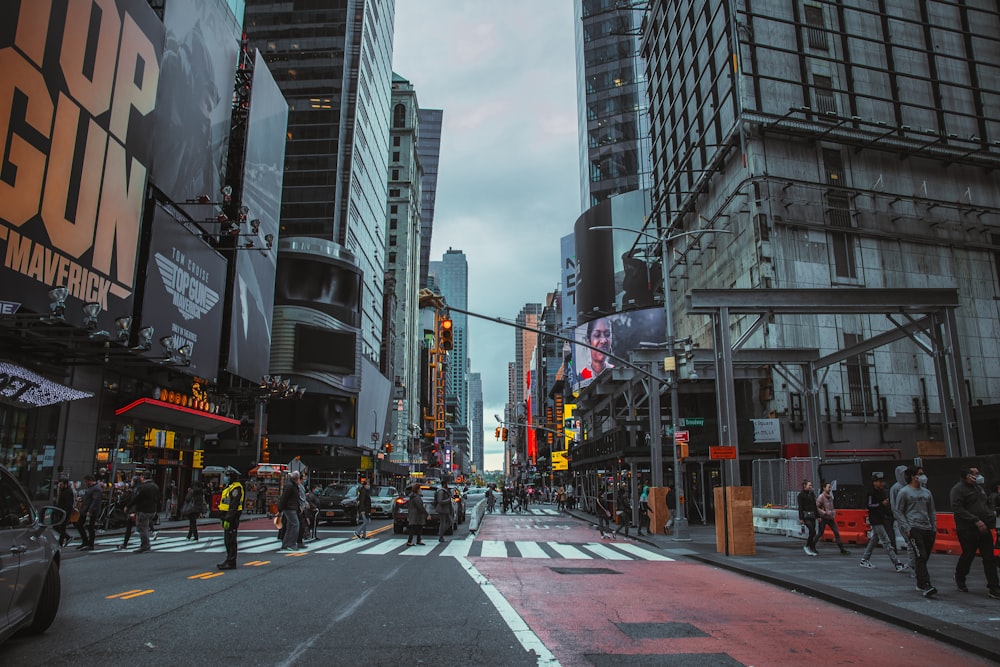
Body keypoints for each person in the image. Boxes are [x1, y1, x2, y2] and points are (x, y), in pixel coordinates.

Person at [949, 466, 1000, 598]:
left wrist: (991, 514)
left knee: (989, 558)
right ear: (967, 476)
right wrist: (975, 520)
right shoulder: (958, 490)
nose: (978, 476)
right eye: (975, 474)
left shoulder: (979, 488)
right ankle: (960, 577)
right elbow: (957, 508)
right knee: (968, 555)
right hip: (967, 529)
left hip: (984, 528)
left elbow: (986, 503)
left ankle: (994, 588)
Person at [896, 465, 937, 597]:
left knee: (924, 558)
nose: (923, 476)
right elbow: (899, 511)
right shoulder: (904, 492)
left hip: (927, 528)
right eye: (920, 473)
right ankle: (926, 585)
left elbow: (931, 511)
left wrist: (933, 527)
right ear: (913, 476)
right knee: (921, 556)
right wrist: (906, 528)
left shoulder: (927, 493)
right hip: (914, 528)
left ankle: (920, 583)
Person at [860, 472, 906, 571]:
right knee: (886, 541)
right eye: (879, 481)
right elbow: (869, 505)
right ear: (874, 482)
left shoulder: (882, 492)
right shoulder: (871, 492)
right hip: (875, 519)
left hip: (881, 518)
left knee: (874, 540)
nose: (881, 483)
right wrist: (881, 504)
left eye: (882, 481)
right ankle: (897, 563)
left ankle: (864, 559)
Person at [890, 464, 916, 576]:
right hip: (904, 521)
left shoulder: (913, 487)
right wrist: (901, 520)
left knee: (913, 545)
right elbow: (895, 507)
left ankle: (913, 565)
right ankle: (914, 567)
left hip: (913, 519)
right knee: (911, 544)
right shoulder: (896, 488)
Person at [217, 475, 244, 570]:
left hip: (232, 516)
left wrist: (228, 518)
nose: (226, 478)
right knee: (227, 540)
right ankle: (229, 560)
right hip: (227, 516)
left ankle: (231, 561)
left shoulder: (236, 488)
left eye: (228, 476)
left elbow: (234, 505)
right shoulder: (230, 487)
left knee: (231, 540)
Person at [815, 481, 851, 555]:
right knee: (820, 533)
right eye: (828, 487)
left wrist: (833, 513)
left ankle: (842, 549)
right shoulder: (821, 497)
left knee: (836, 533)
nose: (830, 488)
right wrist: (824, 513)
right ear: (824, 488)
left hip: (830, 518)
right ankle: (812, 546)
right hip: (824, 518)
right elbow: (816, 507)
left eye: (830, 487)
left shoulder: (830, 497)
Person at [128, 472, 160, 554]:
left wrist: (129, 506)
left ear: (143, 477)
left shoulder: (143, 487)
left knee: (142, 528)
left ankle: (145, 545)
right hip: (152, 510)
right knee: (144, 527)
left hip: (143, 510)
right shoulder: (155, 486)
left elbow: (137, 498)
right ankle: (146, 545)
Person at [579, 317, 615, 382]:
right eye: (597, 335)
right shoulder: (582, 375)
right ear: (588, 342)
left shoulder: (614, 371)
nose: (603, 341)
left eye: (607, 334)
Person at [76, 474, 102, 551]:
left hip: (91, 511)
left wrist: (90, 511)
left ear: (90, 481)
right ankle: (85, 542)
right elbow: (89, 498)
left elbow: (95, 501)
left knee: (90, 527)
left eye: (86, 481)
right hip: (86, 510)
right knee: (80, 525)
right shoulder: (92, 488)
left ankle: (90, 544)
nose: (85, 483)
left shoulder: (96, 489)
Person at [278, 471, 301, 551]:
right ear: (296, 478)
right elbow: (284, 498)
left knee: (290, 526)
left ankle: (286, 544)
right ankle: (291, 544)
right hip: (289, 508)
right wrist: (280, 509)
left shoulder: (292, 485)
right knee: (295, 525)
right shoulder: (290, 486)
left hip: (290, 508)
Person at [797, 479, 819, 557]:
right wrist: (801, 518)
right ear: (804, 486)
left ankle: (811, 548)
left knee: (813, 532)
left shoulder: (812, 494)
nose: (811, 487)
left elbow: (815, 506)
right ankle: (807, 546)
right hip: (806, 516)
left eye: (811, 485)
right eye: (809, 485)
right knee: (812, 531)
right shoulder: (801, 495)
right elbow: (800, 507)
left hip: (812, 515)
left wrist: (818, 516)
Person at [117, 477, 138, 550]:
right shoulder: (135, 490)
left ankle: (145, 544)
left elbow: (133, 501)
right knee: (132, 527)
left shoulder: (134, 491)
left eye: (132, 481)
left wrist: (132, 511)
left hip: (134, 511)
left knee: (139, 528)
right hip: (134, 511)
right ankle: (125, 544)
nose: (131, 482)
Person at [55, 479, 75, 547]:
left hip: (64, 513)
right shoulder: (63, 491)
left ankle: (61, 542)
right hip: (61, 512)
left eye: (61, 484)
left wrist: (65, 513)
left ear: (65, 484)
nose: (60, 486)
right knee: (57, 527)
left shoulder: (68, 492)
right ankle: (67, 537)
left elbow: (68, 504)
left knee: (62, 527)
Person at [435, 478, 454, 543]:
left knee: (449, 522)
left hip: (446, 509)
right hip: (442, 509)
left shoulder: (444, 491)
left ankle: (441, 534)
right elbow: (440, 501)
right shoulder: (441, 491)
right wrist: (449, 500)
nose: (447, 485)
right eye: (446, 484)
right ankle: (441, 535)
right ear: (444, 484)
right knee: (443, 522)